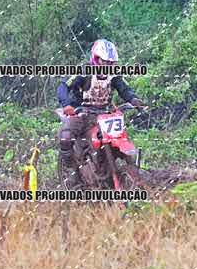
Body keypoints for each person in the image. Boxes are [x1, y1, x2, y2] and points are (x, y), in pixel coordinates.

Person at [56, 39, 144, 180]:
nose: (107, 65)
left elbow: (124, 89)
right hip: (82, 114)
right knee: (65, 137)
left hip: (105, 115)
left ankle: (124, 169)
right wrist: (66, 104)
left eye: (111, 63)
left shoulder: (114, 75)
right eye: (105, 61)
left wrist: (134, 99)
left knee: (120, 137)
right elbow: (63, 86)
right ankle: (71, 171)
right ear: (96, 59)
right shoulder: (83, 71)